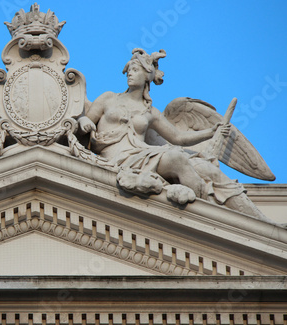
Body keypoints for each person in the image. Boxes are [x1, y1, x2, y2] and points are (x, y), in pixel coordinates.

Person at [78, 48, 269, 220]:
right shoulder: (108, 98)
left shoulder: (150, 112)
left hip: (141, 154)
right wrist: (85, 122)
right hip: (115, 158)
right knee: (179, 158)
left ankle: (212, 211)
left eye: (135, 69)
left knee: (185, 160)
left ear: (147, 76)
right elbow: (85, 119)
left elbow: (178, 138)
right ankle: (207, 212)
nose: (129, 72)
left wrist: (211, 132)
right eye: (129, 69)